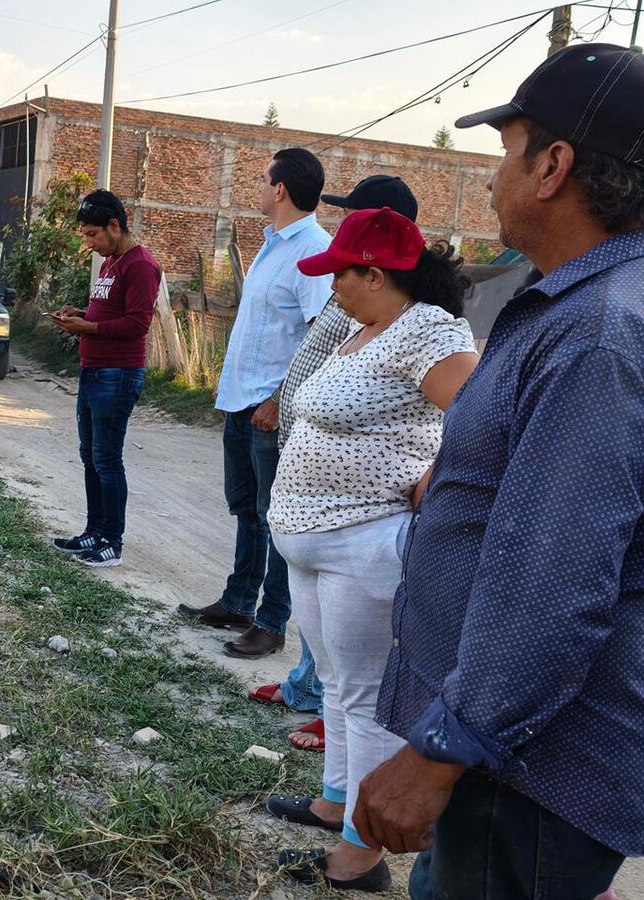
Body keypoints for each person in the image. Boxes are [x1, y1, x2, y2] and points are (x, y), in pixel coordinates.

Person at [355, 43, 644, 899]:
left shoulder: (598, 334)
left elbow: (552, 579)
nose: (490, 177)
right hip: (518, 758)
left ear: (554, 165)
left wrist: (445, 749)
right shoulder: (587, 306)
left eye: (505, 148)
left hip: (527, 773)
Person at [266, 207, 478, 892]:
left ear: (376, 273)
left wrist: (431, 479)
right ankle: (336, 801)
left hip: (364, 542)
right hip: (313, 540)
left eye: (340, 276)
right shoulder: (365, 330)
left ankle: (360, 856)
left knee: (366, 697)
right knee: (335, 681)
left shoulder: (429, 332)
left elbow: (483, 425)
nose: (332, 288)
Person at [248, 175, 422, 755]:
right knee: (332, 659)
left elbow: (466, 412)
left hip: (357, 526)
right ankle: (312, 703)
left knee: (356, 683)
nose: (341, 222)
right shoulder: (362, 305)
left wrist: (431, 479)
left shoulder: (413, 321)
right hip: (311, 511)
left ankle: (355, 828)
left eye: (355, 215)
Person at [177, 149, 333, 659]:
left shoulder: (313, 251)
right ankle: (239, 601)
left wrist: (277, 400)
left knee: (275, 518)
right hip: (243, 403)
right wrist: (234, 394)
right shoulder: (272, 246)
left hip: (272, 411)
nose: (258, 188)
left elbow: (323, 339)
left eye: (263, 180)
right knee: (245, 509)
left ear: (281, 189)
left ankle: (272, 622)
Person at [49, 189, 161, 568]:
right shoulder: (112, 263)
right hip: (93, 370)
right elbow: (109, 311)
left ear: (115, 225)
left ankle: (112, 541)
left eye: (93, 234)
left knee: (107, 459)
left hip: (118, 374)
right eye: (85, 235)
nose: (89, 242)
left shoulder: (140, 264)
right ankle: (94, 532)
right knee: (90, 457)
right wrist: (79, 315)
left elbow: (137, 323)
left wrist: (88, 327)